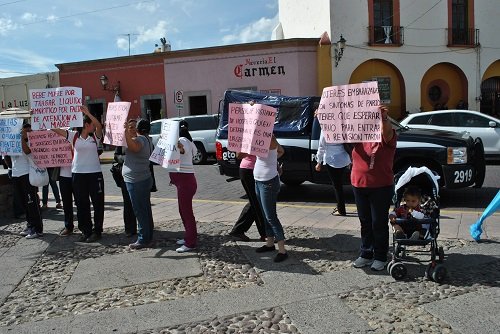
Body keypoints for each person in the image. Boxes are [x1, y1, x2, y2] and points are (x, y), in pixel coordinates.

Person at [351, 106, 396, 271]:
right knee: (365, 222)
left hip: (381, 187)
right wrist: (325, 118)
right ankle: (366, 253)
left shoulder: (386, 136)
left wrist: (384, 118)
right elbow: (338, 132)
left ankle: (381, 256)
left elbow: (388, 133)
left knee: (379, 223)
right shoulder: (359, 136)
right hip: (359, 185)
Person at [51, 106, 104, 242]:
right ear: (86, 125)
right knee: (81, 204)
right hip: (78, 174)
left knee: (98, 203)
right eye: (90, 124)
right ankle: (86, 231)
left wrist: (88, 113)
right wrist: (38, 118)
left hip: (94, 174)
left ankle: (97, 231)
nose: (93, 126)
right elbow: (54, 129)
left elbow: (99, 125)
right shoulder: (73, 136)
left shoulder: (95, 137)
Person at [5, 123, 43, 238]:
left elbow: (27, 151)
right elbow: (7, 158)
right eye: (25, 130)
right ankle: (30, 225)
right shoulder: (12, 141)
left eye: (28, 130)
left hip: (27, 174)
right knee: (23, 202)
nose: (27, 131)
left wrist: (21, 137)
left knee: (31, 202)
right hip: (16, 174)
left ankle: (37, 229)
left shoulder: (30, 141)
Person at [254, 135, 288, 262]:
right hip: (258, 180)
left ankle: (282, 250)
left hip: (268, 182)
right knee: (265, 215)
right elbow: (281, 151)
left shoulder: (268, 138)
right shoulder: (259, 138)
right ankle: (269, 243)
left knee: (271, 216)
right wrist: (273, 160)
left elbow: (241, 154)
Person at [123, 118, 155, 249]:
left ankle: (143, 239)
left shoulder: (141, 140)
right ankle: (148, 234)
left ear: (139, 129)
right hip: (143, 178)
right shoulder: (148, 139)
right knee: (145, 209)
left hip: (136, 180)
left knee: (140, 210)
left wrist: (125, 131)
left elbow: (134, 147)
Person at [170, 120, 198, 253]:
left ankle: (190, 242)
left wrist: (174, 141)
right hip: (185, 181)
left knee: (186, 212)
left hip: (185, 182)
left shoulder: (183, 140)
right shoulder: (190, 140)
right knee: (183, 211)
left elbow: (181, 149)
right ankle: (188, 235)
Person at [228, 153, 266, 242]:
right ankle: (265, 234)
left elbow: (279, 151)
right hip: (249, 170)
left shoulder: (265, 138)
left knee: (255, 202)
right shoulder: (247, 139)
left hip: (260, 170)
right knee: (256, 203)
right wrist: (254, 150)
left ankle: (238, 230)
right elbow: (239, 155)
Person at [315, 131, 351, 216]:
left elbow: (321, 146)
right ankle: (339, 207)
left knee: (337, 186)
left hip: (331, 158)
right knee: (341, 184)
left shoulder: (326, 128)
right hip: (344, 157)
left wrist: (318, 161)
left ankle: (341, 209)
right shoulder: (343, 126)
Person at [114, 145, 137, 237]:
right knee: (128, 203)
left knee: (143, 202)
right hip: (125, 175)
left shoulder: (141, 139)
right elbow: (116, 157)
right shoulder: (121, 143)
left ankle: (146, 227)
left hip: (141, 174)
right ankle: (130, 228)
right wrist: (128, 158)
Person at [58, 165, 75, 235]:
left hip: (77, 173)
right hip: (63, 175)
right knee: (66, 203)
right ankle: (68, 226)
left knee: (81, 202)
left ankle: (84, 227)